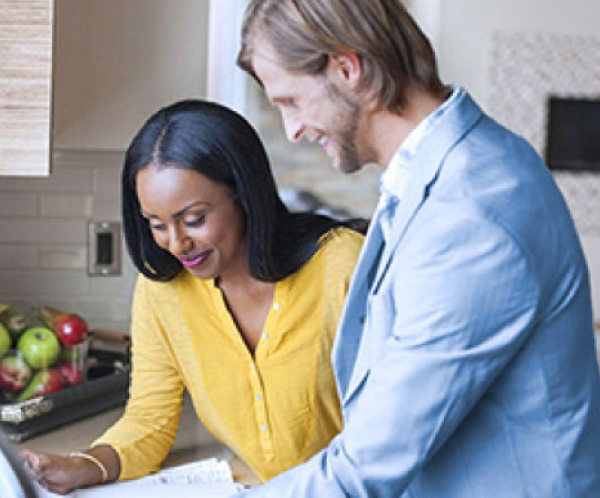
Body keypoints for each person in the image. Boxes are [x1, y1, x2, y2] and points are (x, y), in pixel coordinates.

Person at [235, 0, 600, 496]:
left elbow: (369, 464)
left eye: (291, 101)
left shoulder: (470, 210)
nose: (292, 130)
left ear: (347, 69)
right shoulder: (453, 167)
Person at [21, 100, 364, 494]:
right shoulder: (163, 291)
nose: (177, 243)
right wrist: (84, 465)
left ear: (243, 193)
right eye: (156, 224)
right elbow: (150, 419)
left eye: (194, 219)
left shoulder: (341, 265)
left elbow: (388, 429)